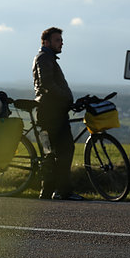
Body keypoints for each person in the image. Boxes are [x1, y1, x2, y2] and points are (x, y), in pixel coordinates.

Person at [32, 26, 84, 200]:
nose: (61, 43)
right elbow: (47, 84)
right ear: (46, 42)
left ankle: (48, 191)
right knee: (64, 149)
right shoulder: (44, 58)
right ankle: (63, 191)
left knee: (53, 153)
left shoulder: (48, 58)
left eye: (61, 40)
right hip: (51, 111)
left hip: (52, 110)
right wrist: (65, 97)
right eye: (57, 40)